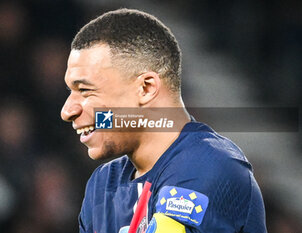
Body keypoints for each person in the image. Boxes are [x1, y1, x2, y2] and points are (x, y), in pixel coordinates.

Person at [61, 8, 267, 233]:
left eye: (86, 90)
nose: (67, 110)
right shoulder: (103, 184)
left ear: (146, 88)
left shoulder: (208, 164)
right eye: (70, 91)